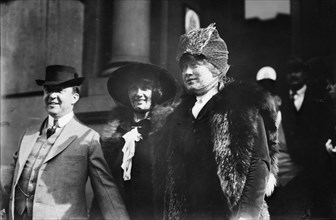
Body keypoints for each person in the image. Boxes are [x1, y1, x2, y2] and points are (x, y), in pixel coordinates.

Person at [153, 23, 278, 220]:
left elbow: (258, 163)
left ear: (216, 66)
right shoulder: (178, 116)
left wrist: (246, 215)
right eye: (184, 66)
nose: (187, 72)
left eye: (194, 64)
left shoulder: (242, 105)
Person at [2, 65, 129, 220]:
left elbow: (105, 189)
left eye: (60, 90)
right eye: (48, 90)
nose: (52, 96)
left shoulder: (88, 138)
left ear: (74, 97)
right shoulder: (28, 134)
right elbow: (9, 179)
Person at [90, 63, 178, 220]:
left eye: (145, 87)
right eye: (133, 88)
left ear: (156, 92)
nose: (138, 93)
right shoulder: (115, 134)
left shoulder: (168, 130)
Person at [267, 56, 335, 219]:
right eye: (290, 72)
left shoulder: (317, 98)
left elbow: (324, 127)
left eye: (297, 71)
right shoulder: (283, 101)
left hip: (314, 163)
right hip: (291, 171)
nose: (294, 75)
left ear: (305, 74)